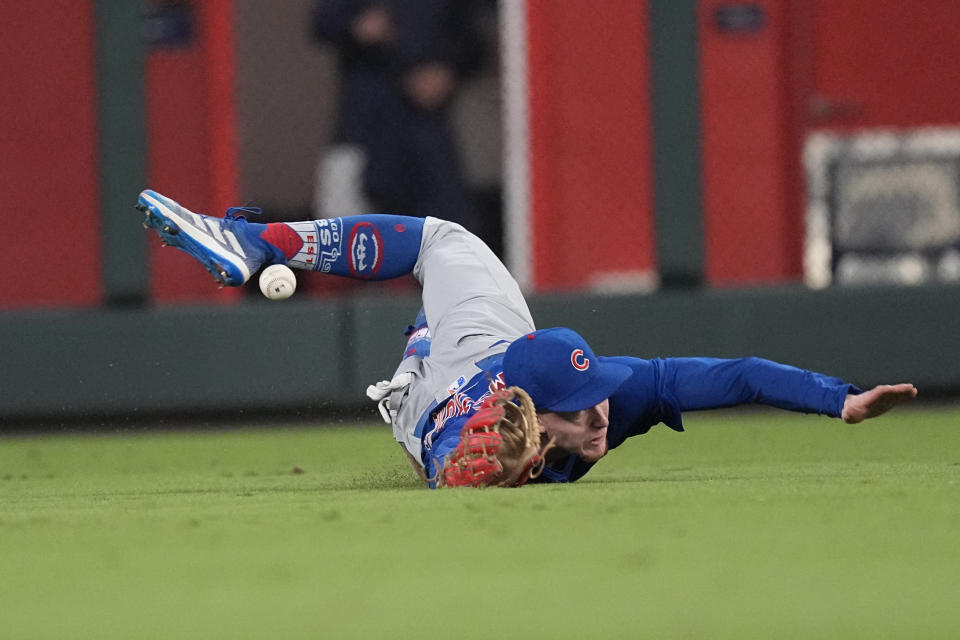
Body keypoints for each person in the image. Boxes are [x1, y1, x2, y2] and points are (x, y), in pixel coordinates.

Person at [135, 190, 919, 487]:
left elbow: (739, 372)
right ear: (532, 412)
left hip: (492, 338)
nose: (600, 417)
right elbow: (451, 465)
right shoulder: (470, 411)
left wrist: (840, 400)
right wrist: (472, 471)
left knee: (444, 241)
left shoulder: (609, 390)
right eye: (577, 411)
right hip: (437, 386)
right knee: (445, 424)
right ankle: (256, 239)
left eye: (594, 400)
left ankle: (259, 239)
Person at [312, 0, 486, 233]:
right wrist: (358, 27)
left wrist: (447, 71)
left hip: (425, 125)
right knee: (344, 227)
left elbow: (472, 40)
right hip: (364, 123)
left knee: (447, 222)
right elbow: (322, 23)